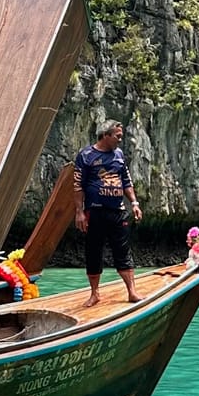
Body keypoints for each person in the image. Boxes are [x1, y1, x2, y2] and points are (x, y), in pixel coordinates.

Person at [75, 119, 142, 307]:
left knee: (123, 249)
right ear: (105, 135)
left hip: (117, 211)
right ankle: (94, 293)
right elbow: (78, 186)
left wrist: (134, 203)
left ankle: (132, 291)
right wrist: (79, 212)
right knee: (93, 251)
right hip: (94, 212)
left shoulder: (119, 155)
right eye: (117, 136)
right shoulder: (86, 155)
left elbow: (126, 181)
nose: (120, 140)